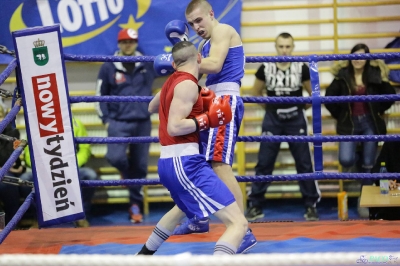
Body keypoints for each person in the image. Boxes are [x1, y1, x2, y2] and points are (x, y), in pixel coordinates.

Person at [137, 41, 248, 255]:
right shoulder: (187, 84)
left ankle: (142, 256)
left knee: (180, 209)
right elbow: (175, 126)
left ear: (173, 63)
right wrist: (207, 119)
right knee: (239, 224)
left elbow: (151, 107)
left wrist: (196, 99)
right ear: (199, 58)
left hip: (168, 163)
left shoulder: (173, 82)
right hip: (186, 163)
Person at [245, 32, 321, 222]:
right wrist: (272, 109)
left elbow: (313, 94)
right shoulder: (266, 67)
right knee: (264, 162)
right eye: (281, 46)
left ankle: (310, 205)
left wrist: (298, 108)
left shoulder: (300, 68)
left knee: (304, 163)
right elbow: (256, 92)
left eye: (288, 46)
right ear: (276, 47)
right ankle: (255, 204)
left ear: (292, 47)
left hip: (296, 119)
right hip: (273, 119)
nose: (284, 50)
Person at [325, 43, 396, 218]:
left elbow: (390, 95)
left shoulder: (374, 74)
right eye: (355, 55)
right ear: (350, 57)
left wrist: (378, 107)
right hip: (349, 123)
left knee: (369, 164)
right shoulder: (342, 76)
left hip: (369, 123)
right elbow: (328, 98)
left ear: (367, 58)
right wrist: (340, 114)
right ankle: (359, 161)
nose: (358, 59)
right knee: (346, 160)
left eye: (362, 56)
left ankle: (363, 201)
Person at [96, 28, 157, 223]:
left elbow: (172, 70)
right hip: (118, 122)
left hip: (142, 122)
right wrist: (106, 120)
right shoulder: (109, 66)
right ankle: (125, 172)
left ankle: (135, 206)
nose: (128, 45)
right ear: (119, 44)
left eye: (131, 42)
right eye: (124, 42)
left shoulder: (148, 63)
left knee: (140, 166)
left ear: (136, 43)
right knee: (114, 157)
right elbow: (99, 95)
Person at [21, 117, 97, 227]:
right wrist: (43, 167)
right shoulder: (35, 125)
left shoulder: (75, 122)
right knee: (25, 180)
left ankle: (81, 216)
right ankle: (39, 217)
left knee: (90, 175)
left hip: (71, 167)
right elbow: (29, 153)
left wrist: (71, 165)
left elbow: (85, 148)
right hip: (45, 169)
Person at [0, 103, 25, 226]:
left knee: (6, 184)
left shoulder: (13, 132)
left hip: (7, 172)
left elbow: (7, 158)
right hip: (8, 169)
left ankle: (12, 223)